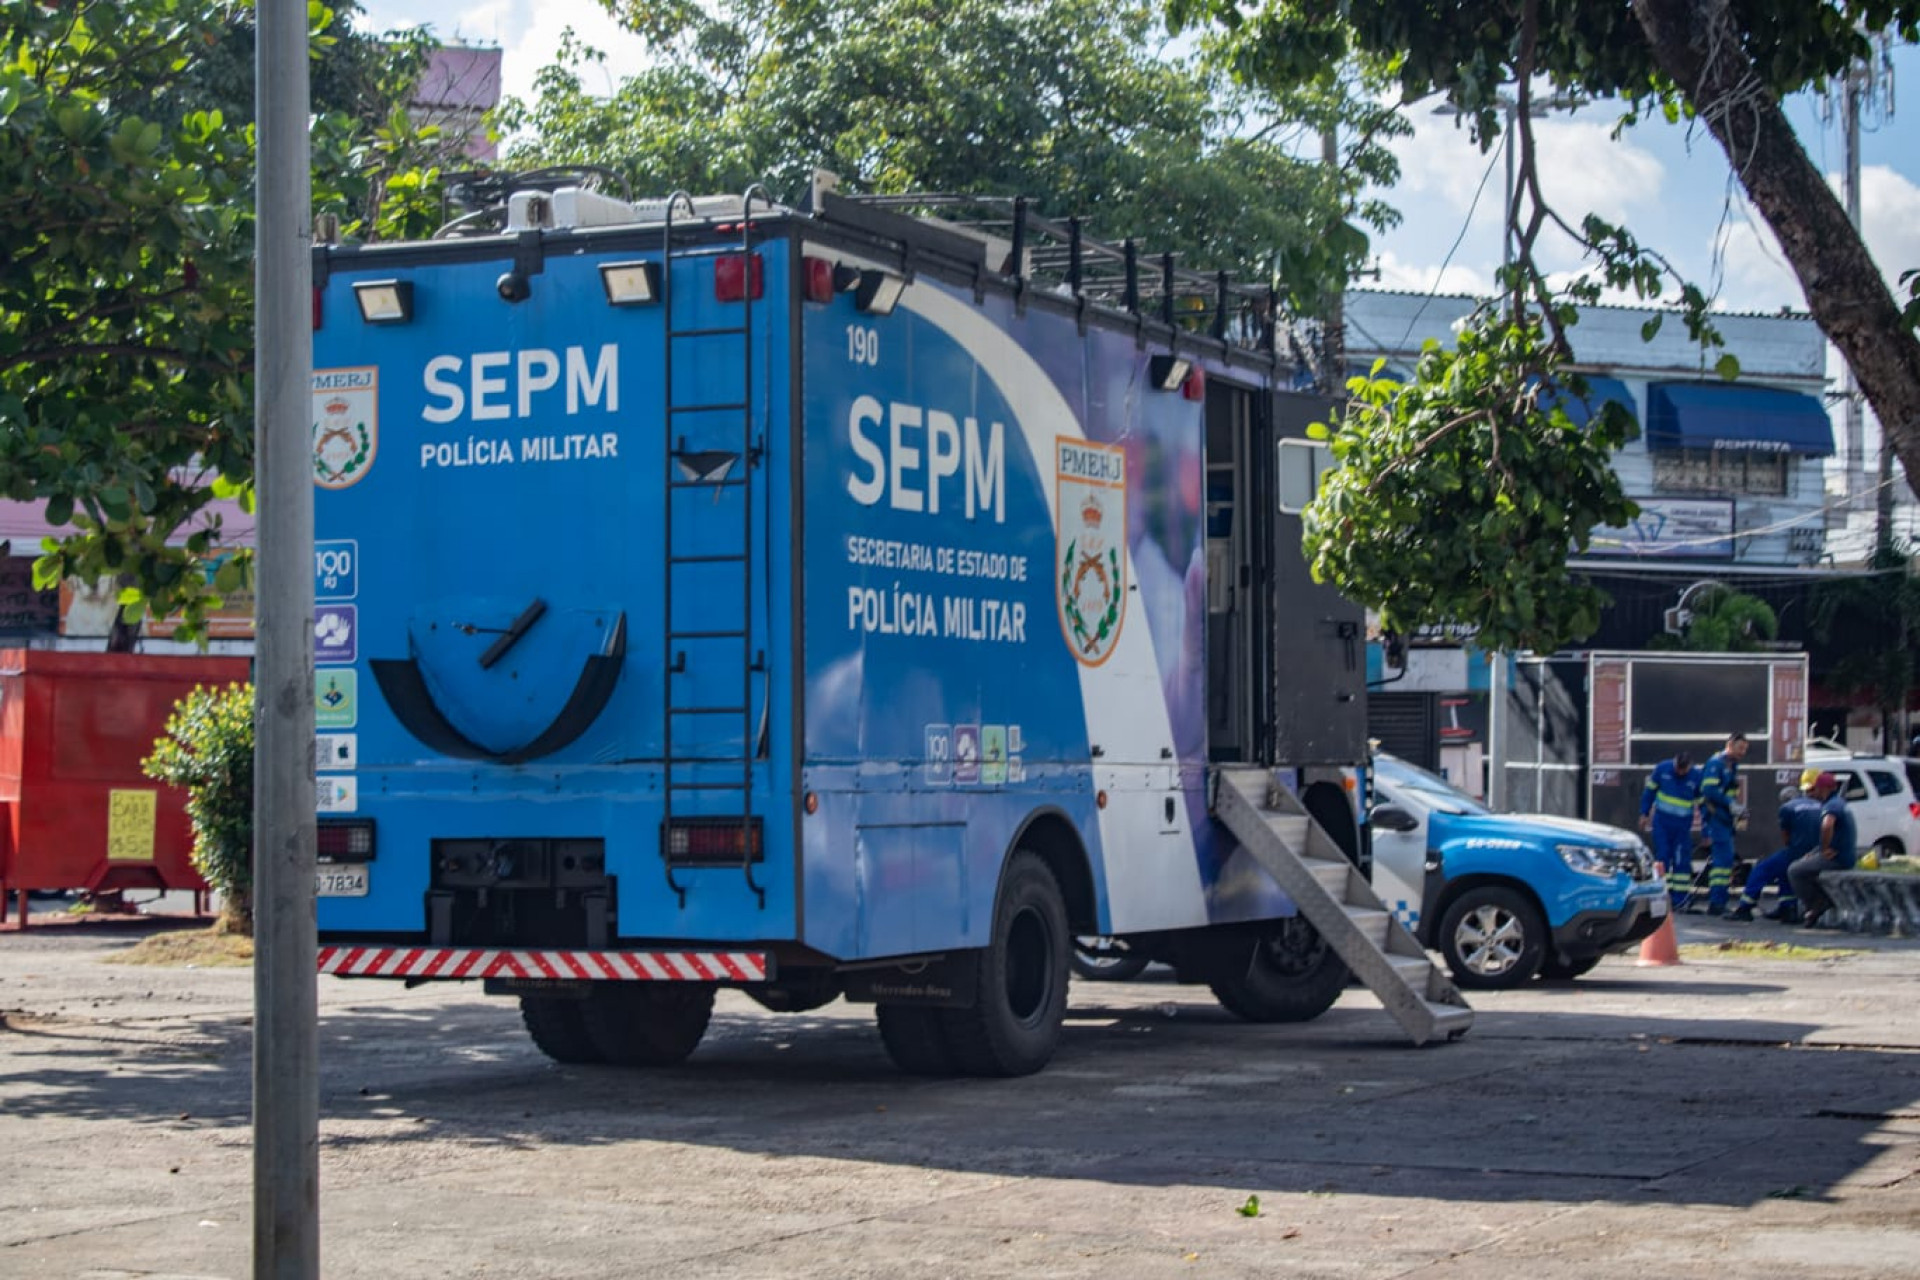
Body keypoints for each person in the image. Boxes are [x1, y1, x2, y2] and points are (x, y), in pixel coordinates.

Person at [1728, 769, 1823, 923]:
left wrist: (1792, 848)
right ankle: (1788, 908)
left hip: (1797, 851)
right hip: (1817, 853)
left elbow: (1786, 835)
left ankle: (1745, 907)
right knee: (1784, 872)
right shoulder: (1821, 806)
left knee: (1762, 869)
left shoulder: (1788, 808)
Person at [1790, 771, 1857, 930]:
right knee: (1804, 862)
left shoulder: (1832, 805)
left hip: (1838, 858)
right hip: (1841, 854)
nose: (1814, 793)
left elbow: (1827, 825)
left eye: (1817, 789)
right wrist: (1816, 852)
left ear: (1825, 788)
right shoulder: (1838, 802)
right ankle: (1818, 903)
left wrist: (1825, 849)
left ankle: (1816, 904)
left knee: (1794, 870)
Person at [1640, 750, 1702, 910]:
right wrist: (1644, 813)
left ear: (1689, 766)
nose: (1680, 772)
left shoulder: (1696, 776)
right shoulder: (1662, 769)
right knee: (1662, 858)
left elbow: (1703, 804)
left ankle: (1680, 899)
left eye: (1684, 769)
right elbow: (1649, 792)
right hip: (1662, 824)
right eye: (1678, 768)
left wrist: (1707, 830)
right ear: (1674, 763)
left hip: (1682, 828)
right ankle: (1661, 894)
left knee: (1682, 861)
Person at [1696, 732, 1749, 915]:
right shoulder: (1716, 763)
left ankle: (1719, 901)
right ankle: (1717, 903)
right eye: (1740, 748)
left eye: (1745, 749)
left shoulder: (1731, 765)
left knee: (1726, 862)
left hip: (1725, 820)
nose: (1743, 752)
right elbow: (1709, 790)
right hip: (1716, 819)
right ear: (1730, 744)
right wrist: (1731, 804)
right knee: (1723, 861)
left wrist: (1736, 810)